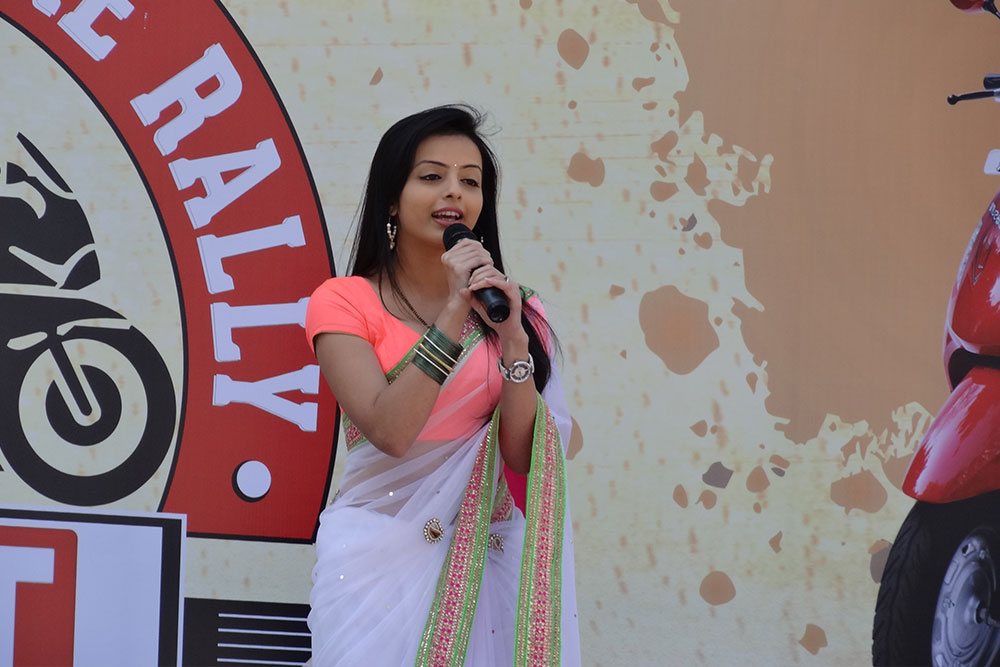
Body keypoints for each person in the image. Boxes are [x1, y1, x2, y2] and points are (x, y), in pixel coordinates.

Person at [305, 105, 580, 666]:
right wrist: (455, 310)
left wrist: (514, 342)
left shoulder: (518, 311)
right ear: (391, 198)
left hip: (490, 562)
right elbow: (391, 431)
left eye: (470, 181)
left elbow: (524, 457)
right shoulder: (343, 301)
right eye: (431, 176)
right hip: (378, 563)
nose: (454, 191)